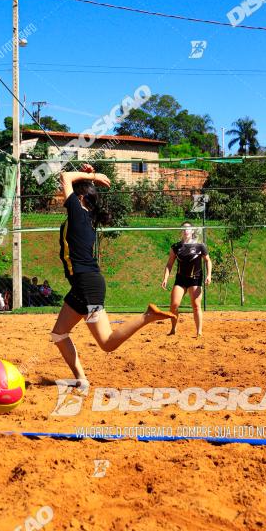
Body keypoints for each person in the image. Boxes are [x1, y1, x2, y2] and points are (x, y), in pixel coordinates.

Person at [50, 163, 176, 387]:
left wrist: (95, 176)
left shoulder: (79, 213)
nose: (62, 195)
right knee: (59, 334)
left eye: (70, 194)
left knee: (107, 343)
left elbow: (64, 176)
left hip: (86, 285)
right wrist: (88, 176)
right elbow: (71, 181)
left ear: (80, 200)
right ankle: (81, 380)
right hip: (84, 284)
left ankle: (147, 316)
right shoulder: (83, 215)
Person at [162, 221, 212, 337]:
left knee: (196, 305)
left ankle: (199, 332)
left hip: (195, 279)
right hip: (181, 279)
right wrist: (165, 278)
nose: (185, 230)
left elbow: (208, 260)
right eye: (183, 228)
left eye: (188, 228)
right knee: (174, 305)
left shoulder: (200, 246)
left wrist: (209, 275)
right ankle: (173, 329)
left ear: (192, 231)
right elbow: (169, 264)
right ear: (181, 231)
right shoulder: (176, 247)